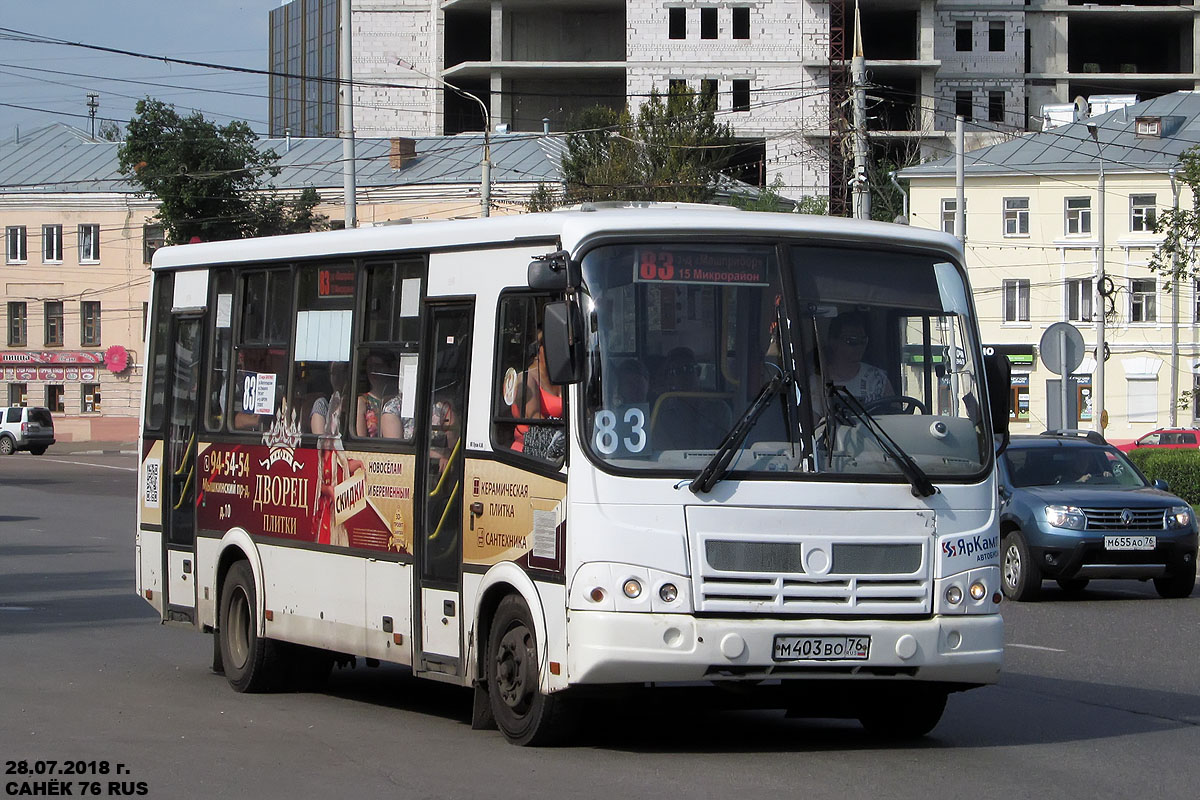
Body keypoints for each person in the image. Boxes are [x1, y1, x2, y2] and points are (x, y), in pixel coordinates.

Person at [812, 311, 893, 409]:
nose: (859, 346)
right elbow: (814, 421)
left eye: (863, 341)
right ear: (833, 342)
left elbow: (896, 416)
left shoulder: (877, 379)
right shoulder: (817, 382)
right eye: (851, 341)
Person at [512, 330, 564, 454]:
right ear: (538, 350)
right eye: (552, 347)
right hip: (531, 452)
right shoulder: (525, 379)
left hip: (560, 447)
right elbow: (535, 420)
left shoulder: (563, 378)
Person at [356, 350, 399, 438]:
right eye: (370, 367)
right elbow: (359, 439)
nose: (373, 371)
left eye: (378, 366)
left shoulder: (397, 401)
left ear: (389, 369)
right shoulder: (363, 401)